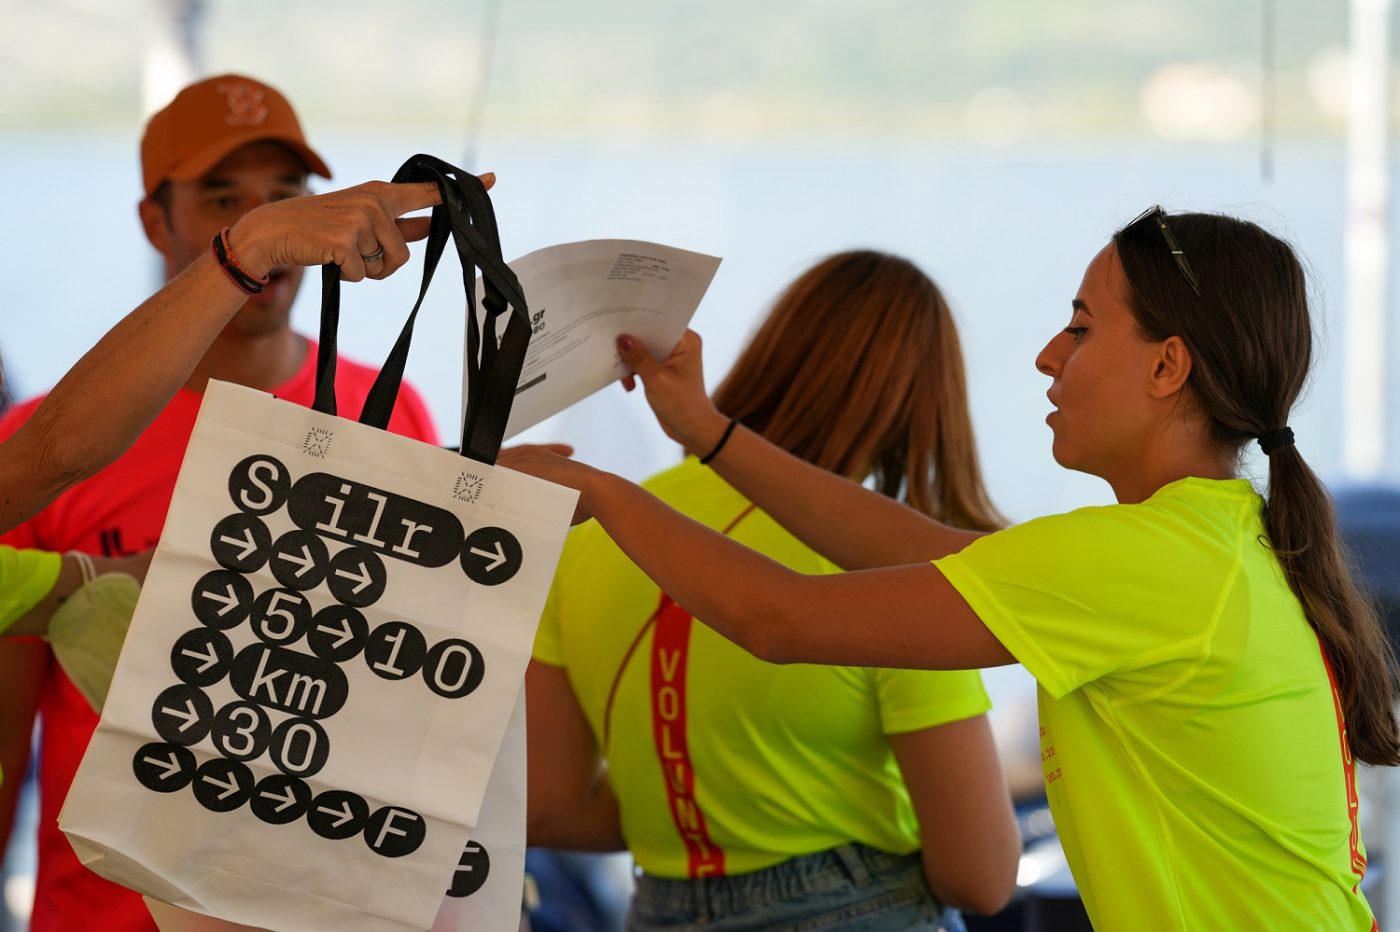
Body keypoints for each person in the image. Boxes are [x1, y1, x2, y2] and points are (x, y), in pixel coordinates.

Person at [501, 208, 1398, 931]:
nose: (1048, 355)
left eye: (1081, 328)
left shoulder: (1146, 556)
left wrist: (603, 495)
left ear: (1169, 366)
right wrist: (707, 433)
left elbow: (781, 619)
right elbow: (924, 554)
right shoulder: (1202, 539)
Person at [0, 74, 443, 932]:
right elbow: (6, 730)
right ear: (154, 222)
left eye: (287, 194)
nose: (270, 224)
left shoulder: (393, 413)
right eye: (223, 198)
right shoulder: (41, 447)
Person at [526, 250, 1020, 931]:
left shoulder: (596, 529)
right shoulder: (887, 573)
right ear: (924, 406)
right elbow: (980, 874)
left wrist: (703, 820)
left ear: (770, 352)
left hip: (658, 909)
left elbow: (548, 806)